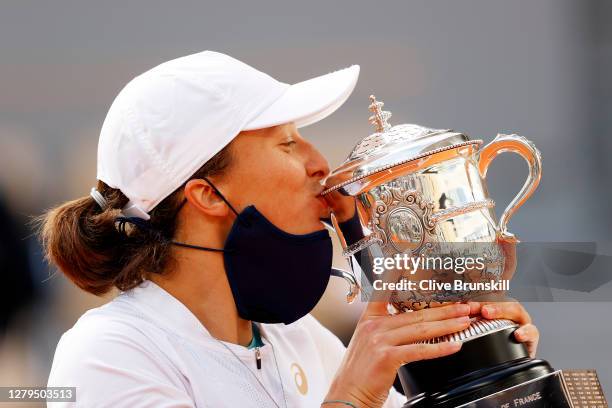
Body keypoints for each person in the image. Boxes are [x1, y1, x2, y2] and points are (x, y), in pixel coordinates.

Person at [40, 51, 539, 408]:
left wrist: (470, 367)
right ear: (207, 194)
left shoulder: (297, 339)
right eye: (286, 144)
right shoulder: (110, 354)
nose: (320, 164)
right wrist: (351, 398)